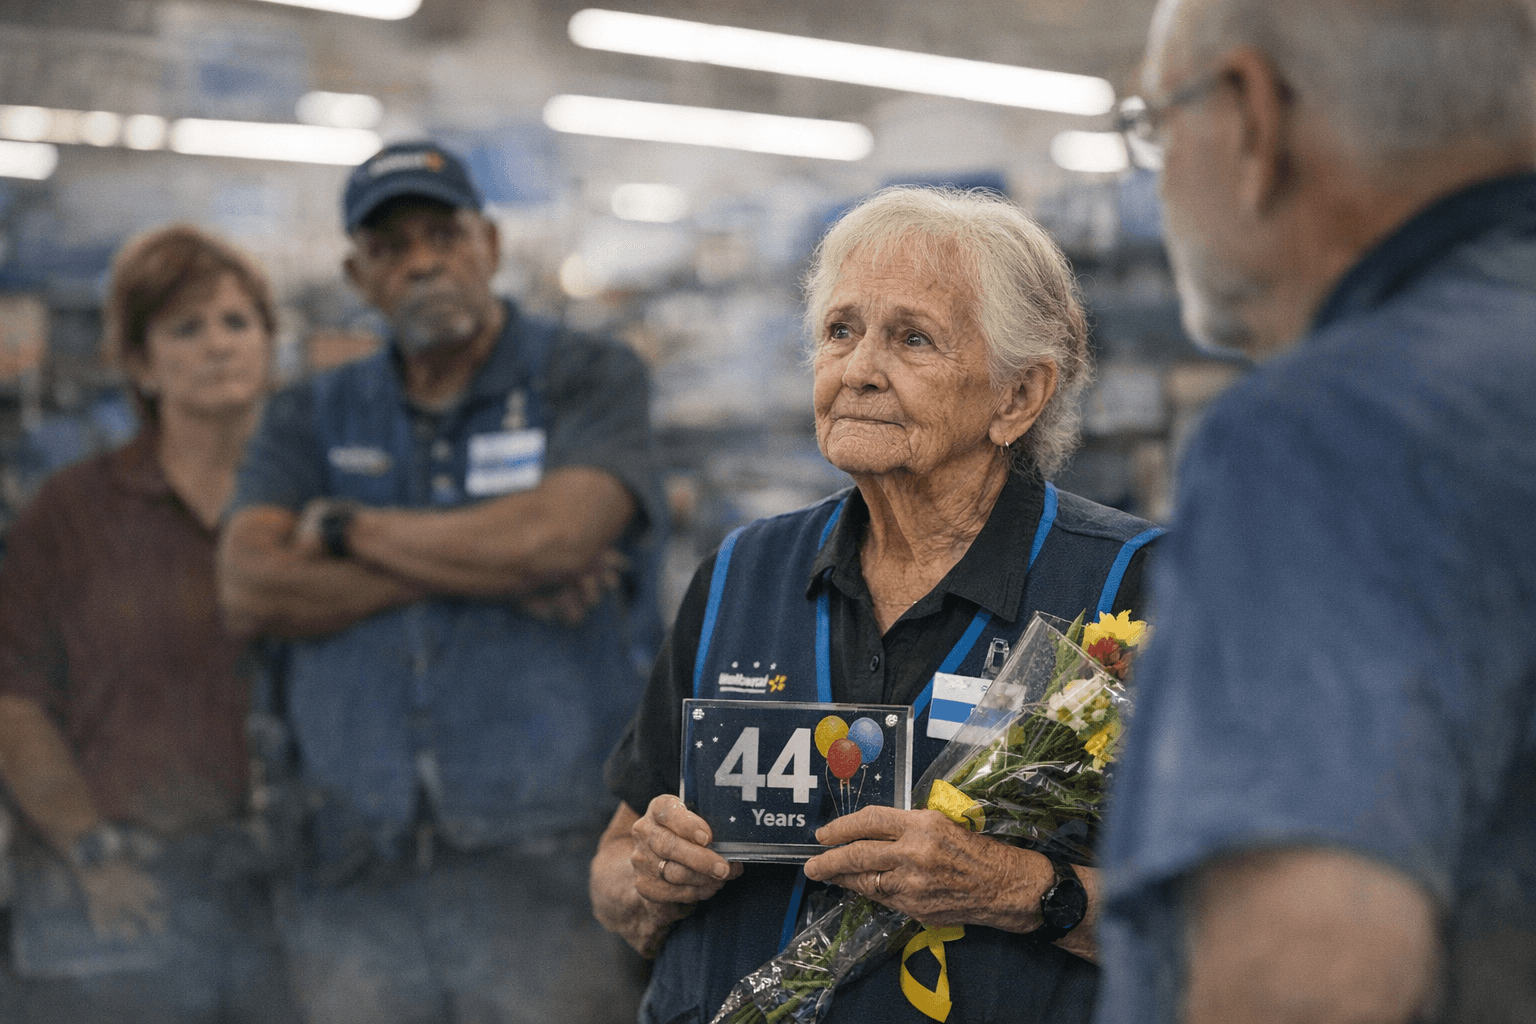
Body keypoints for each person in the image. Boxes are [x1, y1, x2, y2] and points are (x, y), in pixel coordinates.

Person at [593, 186, 1164, 1024]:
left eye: (912, 339)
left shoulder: (1135, 591)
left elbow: (1241, 919)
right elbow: (612, 868)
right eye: (839, 331)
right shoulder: (742, 574)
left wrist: (1019, 889)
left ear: (1017, 397)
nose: (858, 369)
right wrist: (651, 876)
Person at [1094, 1, 1536, 1022]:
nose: (1159, 180)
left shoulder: (1328, 438)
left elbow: (1309, 978)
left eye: (1159, 127)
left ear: (1253, 119)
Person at [216, 141, 666, 1024]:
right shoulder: (310, 411)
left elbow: (556, 538)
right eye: (390, 247)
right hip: (352, 864)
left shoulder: (588, 376)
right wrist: (485, 571)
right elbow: (250, 588)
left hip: (545, 859)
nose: (422, 261)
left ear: (489, 245)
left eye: (442, 234)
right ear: (358, 272)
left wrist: (347, 530)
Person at [0, 224, 297, 1022]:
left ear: (270, 345)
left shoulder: (312, 510)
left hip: (282, 894)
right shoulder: (71, 515)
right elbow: (15, 700)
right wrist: (89, 847)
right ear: (139, 363)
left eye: (238, 323)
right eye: (186, 328)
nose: (218, 346)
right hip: (117, 887)